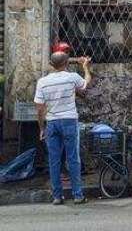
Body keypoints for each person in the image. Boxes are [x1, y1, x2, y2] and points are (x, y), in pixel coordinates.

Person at [34, 45, 92, 205]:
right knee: (73, 159)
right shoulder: (72, 77)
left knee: (54, 160)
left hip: (51, 123)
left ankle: (57, 196)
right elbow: (86, 83)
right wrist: (85, 68)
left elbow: (39, 109)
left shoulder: (42, 82)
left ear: (51, 65)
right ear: (66, 63)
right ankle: (78, 195)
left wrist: (41, 128)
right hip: (69, 121)